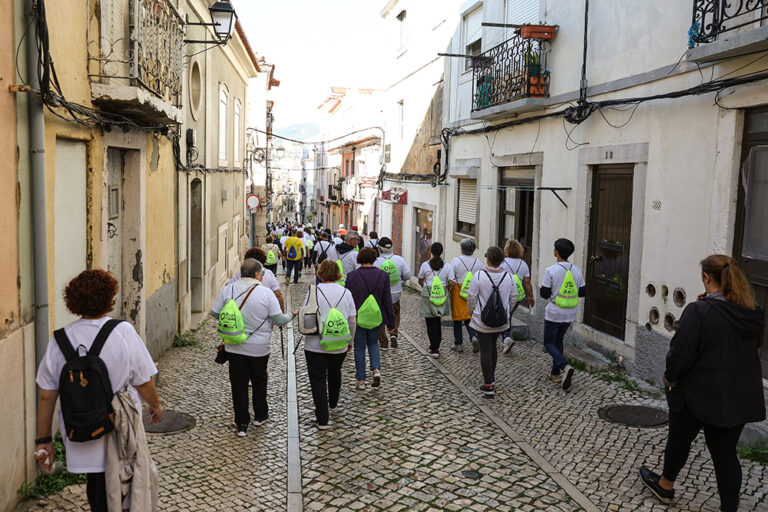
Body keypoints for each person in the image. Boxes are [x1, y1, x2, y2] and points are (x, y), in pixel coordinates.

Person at [639, 255, 765, 512]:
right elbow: (753, 347)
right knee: (726, 456)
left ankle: (665, 485)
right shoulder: (751, 313)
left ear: (707, 277)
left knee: (678, 442)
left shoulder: (700, 311)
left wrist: (670, 379)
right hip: (735, 396)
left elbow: (680, 352)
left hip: (697, 394)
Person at [35, 270, 162, 512]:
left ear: (73, 301)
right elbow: (143, 381)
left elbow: (46, 394)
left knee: (96, 487)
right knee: (124, 486)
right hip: (118, 428)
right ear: (109, 298)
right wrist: (155, 405)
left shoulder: (60, 340)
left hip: (80, 429)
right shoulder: (122, 332)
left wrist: (44, 441)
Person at [211, 259, 295, 436]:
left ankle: (241, 423)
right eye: (262, 273)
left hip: (234, 346)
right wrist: (291, 315)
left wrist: (233, 320)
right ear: (257, 274)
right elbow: (278, 320)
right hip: (259, 347)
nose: (263, 276)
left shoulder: (229, 289)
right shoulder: (266, 293)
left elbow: (215, 313)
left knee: (238, 384)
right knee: (259, 380)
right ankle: (260, 415)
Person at [302, 260, 357, 429]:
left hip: (314, 344)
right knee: (335, 373)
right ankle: (333, 403)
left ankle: (322, 418)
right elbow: (352, 320)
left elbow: (305, 314)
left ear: (321, 272)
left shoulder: (313, 291)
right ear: (338, 274)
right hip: (339, 342)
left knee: (317, 379)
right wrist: (350, 341)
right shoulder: (346, 292)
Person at [467, 246, 517, 396]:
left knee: (486, 349)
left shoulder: (479, 276)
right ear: (501, 260)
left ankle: (488, 385)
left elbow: (471, 298)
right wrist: (507, 312)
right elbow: (514, 298)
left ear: (488, 259)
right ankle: (492, 379)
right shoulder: (509, 277)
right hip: (500, 320)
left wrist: (472, 312)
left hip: (482, 320)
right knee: (493, 348)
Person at [539, 238, 586, 391]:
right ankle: (555, 374)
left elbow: (544, 294)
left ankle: (565, 367)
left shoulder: (551, 270)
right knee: (558, 340)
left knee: (548, 342)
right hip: (570, 312)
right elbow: (583, 292)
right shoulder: (577, 270)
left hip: (554, 312)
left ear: (556, 252)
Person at [345, 248, 395, 389]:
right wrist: (391, 323)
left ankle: (361, 381)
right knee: (373, 343)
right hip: (376, 317)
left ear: (359, 258)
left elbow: (348, 300)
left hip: (358, 316)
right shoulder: (383, 276)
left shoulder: (351, 276)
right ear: (374, 258)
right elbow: (387, 301)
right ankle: (376, 369)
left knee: (359, 347)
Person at [418, 243, 456, 358]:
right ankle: (436, 346)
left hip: (428, 294)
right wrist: (446, 290)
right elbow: (451, 282)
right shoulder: (447, 266)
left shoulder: (425, 265)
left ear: (431, 252)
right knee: (437, 320)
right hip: (441, 294)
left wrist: (425, 288)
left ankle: (433, 346)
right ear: (441, 252)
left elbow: (420, 280)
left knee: (430, 322)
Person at [374, 237, 412, 349]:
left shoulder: (376, 262)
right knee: (395, 313)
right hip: (395, 294)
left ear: (380, 249)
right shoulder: (399, 260)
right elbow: (408, 276)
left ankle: (383, 343)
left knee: (380, 318)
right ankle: (394, 333)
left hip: (380, 295)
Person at [500, 239, 536, 353]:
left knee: (505, 316)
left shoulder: (503, 263)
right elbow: (527, 282)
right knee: (508, 315)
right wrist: (531, 296)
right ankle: (505, 339)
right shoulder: (523, 264)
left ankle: (506, 339)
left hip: (504, 293)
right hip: (517, 295)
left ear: (507, 250)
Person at [450, 239, 482, 353]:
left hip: (458, 290)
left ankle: (458, 344)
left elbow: (451, 277)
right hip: (473, 290)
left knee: (457, 318)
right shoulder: (478, 262)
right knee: (470, 316)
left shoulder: (456, 261)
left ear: (462, 249)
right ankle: (473, 336)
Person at [229, 248, 285, 312]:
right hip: (263, 310)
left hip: (242, 311)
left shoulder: (240, 274)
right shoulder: (268, 274)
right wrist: (282, 312)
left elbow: (229, 286)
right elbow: (278, 294)